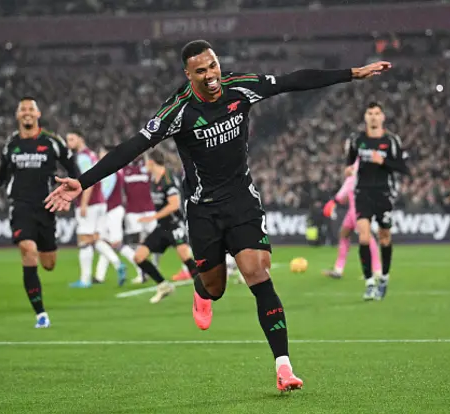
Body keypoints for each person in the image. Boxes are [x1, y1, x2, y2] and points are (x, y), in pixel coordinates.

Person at [45, 40, 391, 391]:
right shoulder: (178, 110)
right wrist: (82, 181)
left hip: (242, 200)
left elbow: (292, 80)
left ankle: (283, 367)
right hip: (204, 210)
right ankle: (201, 289)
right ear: (188, 74)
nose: (211, 76)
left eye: (213, 66)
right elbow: (132, 146)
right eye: (201, 71)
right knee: (216, 287)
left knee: (257, 271)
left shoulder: (240, 86)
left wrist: (352, 74)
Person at [0, 97, 78, 328]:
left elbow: (73, 169)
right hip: (20, 206)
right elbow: (3, 173)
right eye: (22, 109)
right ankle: (40, 314)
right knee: (28, 250)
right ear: (17, 115)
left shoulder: (53, 142)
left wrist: (71, 189)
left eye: (30, 109)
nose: (26, 113)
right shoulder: (11, 144)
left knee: (49, 263)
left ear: (38, 114)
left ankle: (40, 304)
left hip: (46, 207)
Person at [346, 102, 409, 301]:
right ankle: (369, 283)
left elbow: (403, 167)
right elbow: (349, 162)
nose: (373, 117)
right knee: (364, 237)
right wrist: (348, 170)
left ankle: (384, 278)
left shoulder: (391, 141)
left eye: (377, 113)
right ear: (365, 117)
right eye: (370, 113)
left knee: (384, 237)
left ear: (383, 117)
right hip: (362, 192)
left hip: (384, 193)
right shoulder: (357, 140)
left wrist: (384, 161)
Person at [131, 149, 201, 303]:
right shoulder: (154, 180)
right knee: (139, 257)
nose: (144, 165)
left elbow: (174, 205)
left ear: (151, 162)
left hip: (175, 225)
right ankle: (163, 286)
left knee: (185, 256)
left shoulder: (168, 179)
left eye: (146, 162)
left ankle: (203, 292)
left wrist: (152, 216)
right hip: (162, 227)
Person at [66, 133, 124, 287]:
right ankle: (118, 263)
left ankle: (85, 280)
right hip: (100, 203)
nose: (69, 143)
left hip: (90, 203)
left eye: (72, 139)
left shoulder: (82, 157)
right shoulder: (92, 155)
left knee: (84, 241)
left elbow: (89, 181)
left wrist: (84, 203)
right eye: (67, 140)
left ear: (81, 139)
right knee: (95, 238)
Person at [322, 157, 382, 279]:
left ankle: (377, 270)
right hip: (354, 209)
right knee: (344, 234)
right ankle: (338, 269)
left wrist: (334, 201)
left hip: (359, 209)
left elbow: (343, 193)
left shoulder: (355, 174)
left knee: (367, 238)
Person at [121, 157, 157, 284]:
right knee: (135, 243)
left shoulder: (148, 168)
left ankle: (154, 268)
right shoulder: (124, 170)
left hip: (149, 210)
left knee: (159, 241)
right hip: (133, 212)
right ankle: (141, 273)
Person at [96, 145, 128, 286]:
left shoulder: (111, 170)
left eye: (101, 152)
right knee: (104, 242)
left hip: (111, 210)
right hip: (113, 210)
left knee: (107, 242)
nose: (99, 154)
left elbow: (105, 194)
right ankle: (99, 276)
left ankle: (141, 267)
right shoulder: (117, 168)